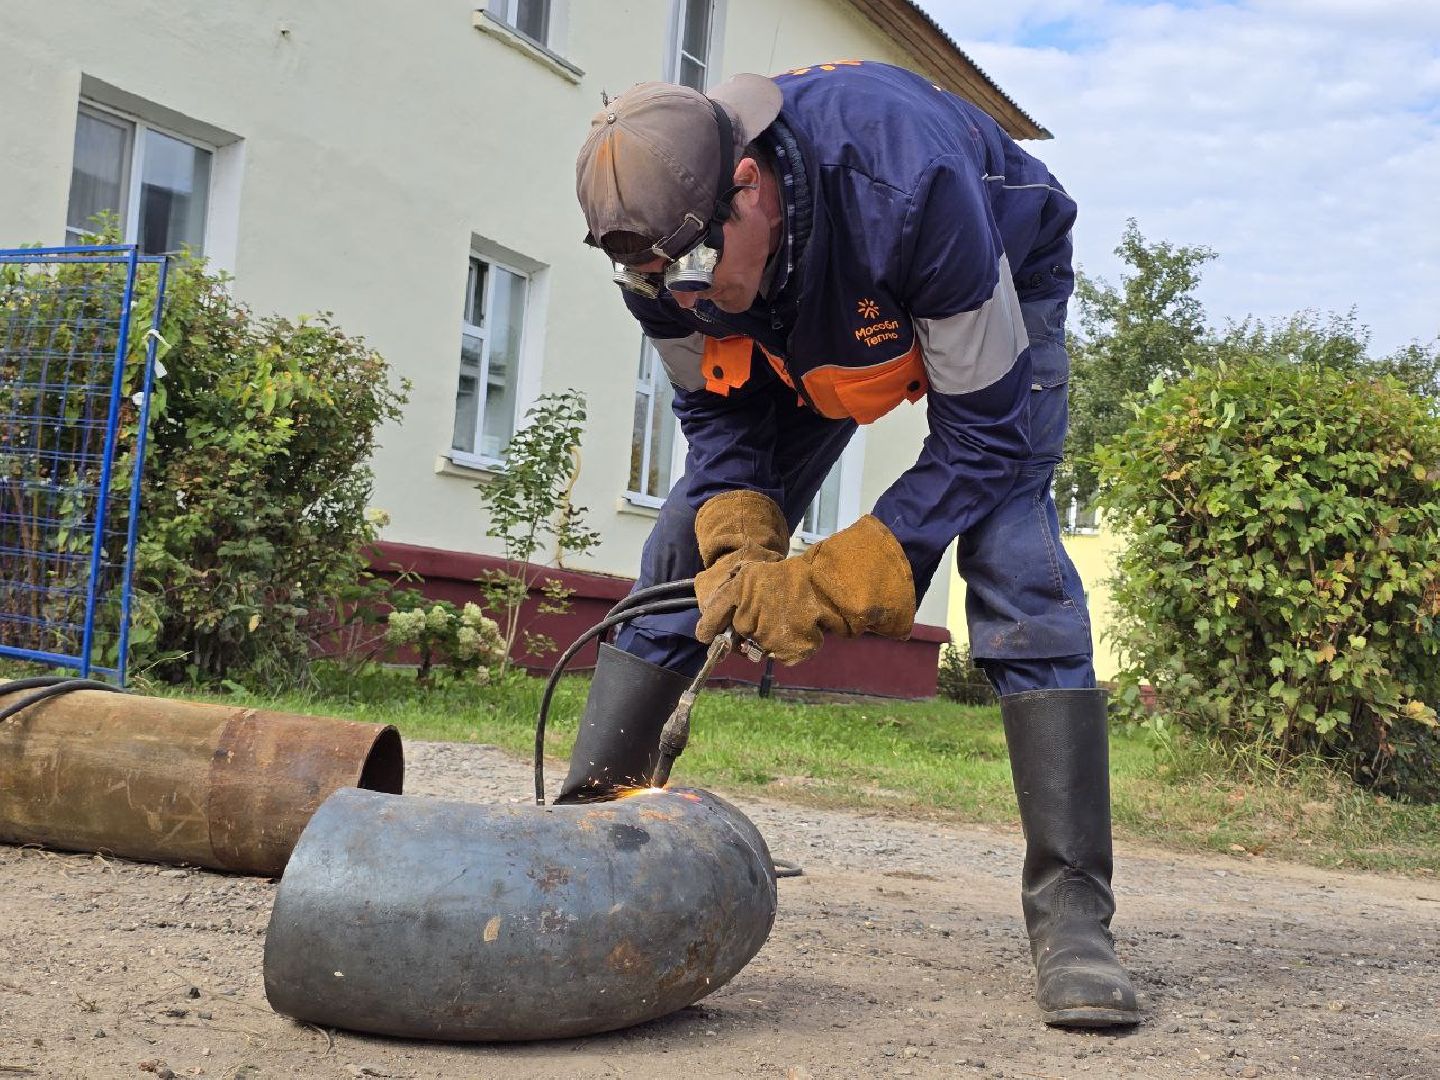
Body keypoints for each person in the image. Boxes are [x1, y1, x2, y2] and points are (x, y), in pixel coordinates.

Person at [564, 60, 1139, 1029]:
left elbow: (986, 433)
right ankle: (584, 848)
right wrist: (741, 537)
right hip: (810, 330)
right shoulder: (664, 264)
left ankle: (1074, 915)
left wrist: (845, 576)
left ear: (747, 189)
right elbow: (717, 412)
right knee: (682, 550)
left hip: (988, 277)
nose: (683, 302)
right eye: (657, 285)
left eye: (692, 277)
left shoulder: (911, 188)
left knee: (1009, 552)